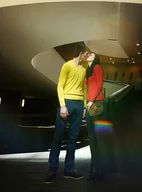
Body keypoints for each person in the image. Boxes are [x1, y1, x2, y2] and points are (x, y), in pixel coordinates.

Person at [45, 44, 92, 184]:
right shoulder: (67, 66)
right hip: (67, 103)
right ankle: (52, 170)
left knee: (73, 139)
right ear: (81, 53)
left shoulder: (85, 68)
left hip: (78, 106)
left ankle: (69, 170)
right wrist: (63, 105)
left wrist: (84, 107)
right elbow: (60, 85)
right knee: (58, 137)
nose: (88, 56)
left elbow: (84, 87)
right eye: (87, 54)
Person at [85, 54, 105, 182]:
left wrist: (91, 101)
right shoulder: (88, 71)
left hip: (96, 105)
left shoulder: (97, 67)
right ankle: (93, 169)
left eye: (91, 54)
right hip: (89, 106)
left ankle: (100, 170)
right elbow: (87, 89)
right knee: (92, 140)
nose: (89, 54)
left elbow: (99, 85)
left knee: (98, 139)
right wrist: (85, 106)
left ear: (95, 58)